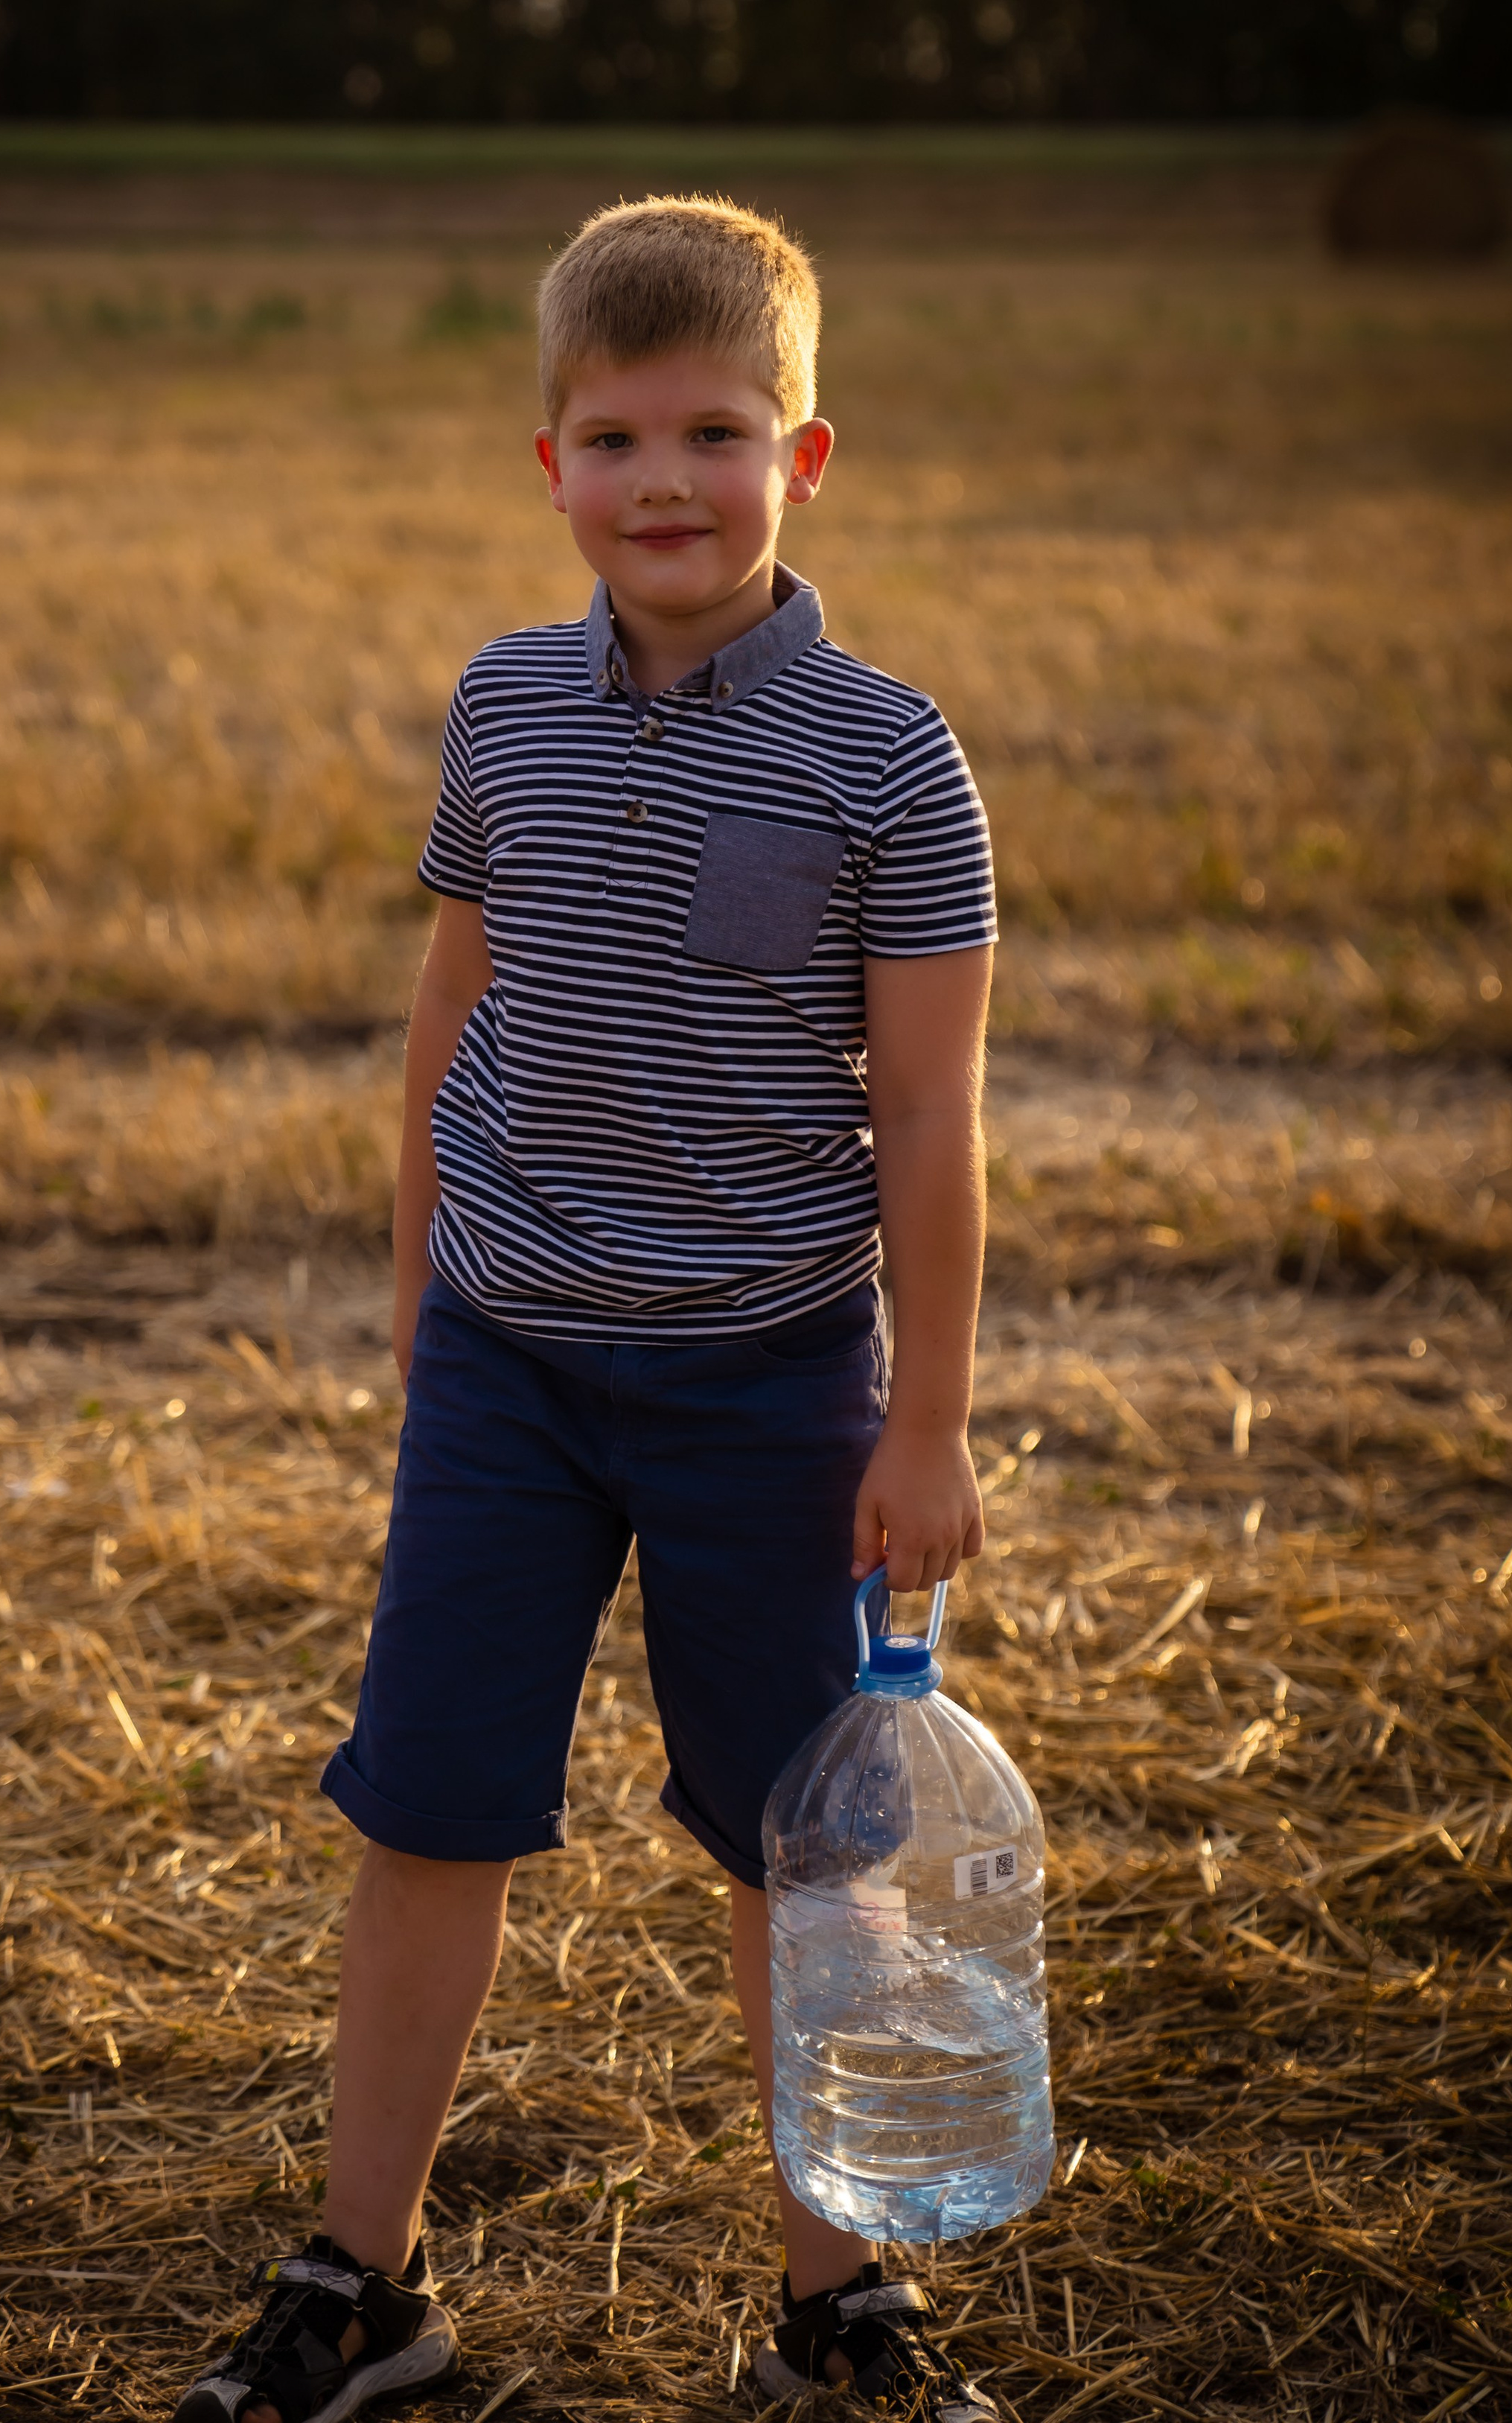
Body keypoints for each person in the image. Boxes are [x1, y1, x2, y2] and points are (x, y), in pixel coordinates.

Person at [170, 198, 999, 2423]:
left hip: (772, 1393)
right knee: (429, 1808)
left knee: (796, 1852)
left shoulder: (891, 760)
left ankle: (838, 2309)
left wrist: (925, 1428)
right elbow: (458, 996)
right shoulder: (505, 704)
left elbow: (926, 1121)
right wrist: (425, 1273)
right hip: (509, 1373)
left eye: (715, 434)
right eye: (614, 436)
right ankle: (364, 2291)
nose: (664, 482)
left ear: (804, 459)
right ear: (546, 462)